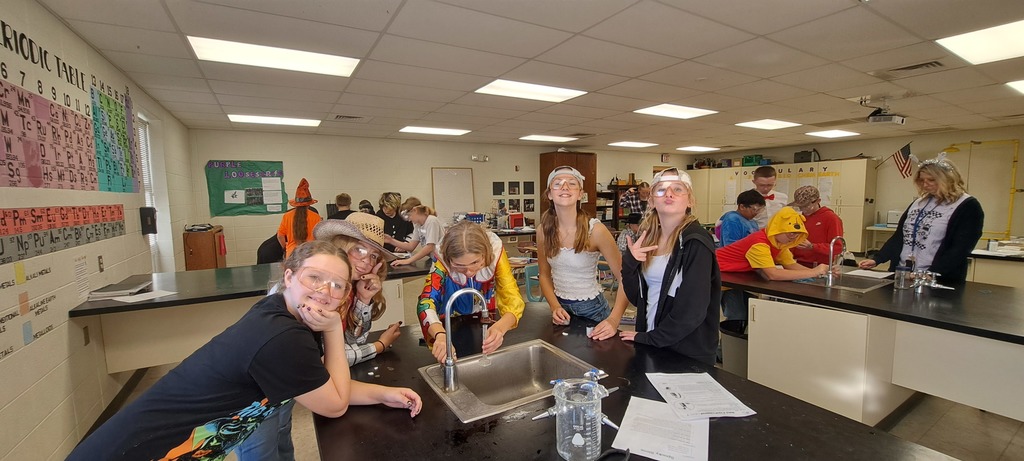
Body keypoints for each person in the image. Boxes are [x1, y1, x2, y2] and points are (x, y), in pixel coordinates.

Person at [68, 241, 422, 461]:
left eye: (337, 285)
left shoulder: (287, 316)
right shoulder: (283, 335)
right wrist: (332, 329)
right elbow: (334, 403)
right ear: (288, 277)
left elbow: (318, 382)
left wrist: (382, 393)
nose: (325, 291)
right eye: (314, 278)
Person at [234, 216, 401, 461]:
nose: (367, 262)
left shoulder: (346, 289)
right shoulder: (302, 304)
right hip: (253, 398)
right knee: (262, 451)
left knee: (282, 440)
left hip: (284, 390)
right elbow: (332, 364)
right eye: (360, 250)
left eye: (374, 256)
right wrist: (379, 345)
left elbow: (349, 344)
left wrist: (364, 301)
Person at [594, 168, 721, 366]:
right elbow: (638, 298)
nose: (669, 194)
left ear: (690, 201)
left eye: (678, 189)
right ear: (652, 201)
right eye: (661, 190)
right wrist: (630, 263)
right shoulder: (649, 239)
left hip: (685, 350)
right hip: (654, 343)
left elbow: (693, 309)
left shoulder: (695, 242)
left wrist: (653, 338)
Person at [859, 156, 983, 285]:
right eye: (922, 180)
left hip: (938, 278)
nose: (925, 184)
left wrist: (931, 273)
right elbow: (900, 237)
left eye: (931, 180)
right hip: (904, 273)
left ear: (948, 179)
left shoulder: (967, 206)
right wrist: (878, 259)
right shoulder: (919, 203)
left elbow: (960, 248)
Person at [416, 220, 525, 364]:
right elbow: (426, 301)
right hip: (450, 323)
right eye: (459, 266)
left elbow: (512, 296)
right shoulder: (441, 257)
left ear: (485, 254)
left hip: (483, 319)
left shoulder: (495, 251)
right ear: (449, 259)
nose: (468, 272)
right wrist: (440, 334)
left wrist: (500, 327)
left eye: (475, 263)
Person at [537, 166, 626, 325]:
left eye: (572, 183)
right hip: (560, 310)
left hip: (592, 310)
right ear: (549, 194)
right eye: (558, 183)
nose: (565, 187)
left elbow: (625, 278)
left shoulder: (596, 230)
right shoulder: (543, 230)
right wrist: (554, 306)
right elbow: (544, 275)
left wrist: (614, 320)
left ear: (580, 194)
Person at [716, 207, 831, 321]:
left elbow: (790, 265)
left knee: (738, 315)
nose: (793, 237)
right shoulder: (759, 243)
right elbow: (773, 274)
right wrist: (814, 272)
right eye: (790, 233)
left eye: (796, 234)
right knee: (710, 316)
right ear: (777, 229)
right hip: (713, 272)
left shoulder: (779, 243)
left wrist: (822, 272)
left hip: (733, 276)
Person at [788, 185, 845, 267]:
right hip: (796, 263)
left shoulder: (831, 218)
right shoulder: (798, 218)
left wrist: (812, 247)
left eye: (806, 206)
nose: (802, 209)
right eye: (800, 206)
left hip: (819, 266)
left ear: (818, 201)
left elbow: (837, 248)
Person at [277, 178, 322, 258]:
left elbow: (280, 236)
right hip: (310, 253)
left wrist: (285, 247)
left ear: (296, 203)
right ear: (309, 204)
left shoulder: (287, 216)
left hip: (292, 254)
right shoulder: (316, 217)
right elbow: (319, 237)